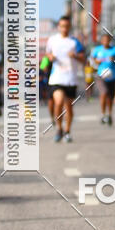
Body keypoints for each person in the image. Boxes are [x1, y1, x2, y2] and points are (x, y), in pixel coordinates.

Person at [45, 15, 85, 143]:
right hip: (56, 78)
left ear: (70, 27)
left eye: (67, 26)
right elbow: (48, 53)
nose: (64, 28)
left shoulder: (75, 42)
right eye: (62, 26)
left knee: (69, 107)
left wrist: (75, 56)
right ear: (58, 27)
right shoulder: (52, 40)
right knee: (59, 102)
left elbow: (84, 60)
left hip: (70, 79)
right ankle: (59, 128)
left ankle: (67, 131)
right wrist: (50, 57)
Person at [90, 32, 115, 125]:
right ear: (101, 41)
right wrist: (96, 61)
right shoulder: (97, 50)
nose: (105, 41)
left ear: (110, 40)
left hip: (112, 76)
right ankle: (103, 114)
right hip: (101, 76)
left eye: (107, 40)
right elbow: (91, 60)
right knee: (104, 93)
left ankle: (109, 114)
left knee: (111, 97)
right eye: (104, 40)